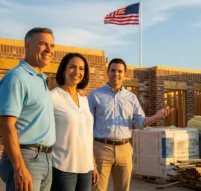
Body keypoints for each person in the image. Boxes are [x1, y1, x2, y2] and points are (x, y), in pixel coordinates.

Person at [88, 58, 173, 191]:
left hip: (124, 149)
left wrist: (156, 116)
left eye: (120, 71)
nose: (116, 74)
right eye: (113, 70)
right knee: (97, 188)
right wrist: (90, 157)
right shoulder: (95, 96)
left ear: (124, 74)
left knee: (123, 189)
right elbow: (88, 126)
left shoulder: (131, 97)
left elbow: (139, 122)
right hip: (101, 149)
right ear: (107, 72)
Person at [0, 27, 56, 191]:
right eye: (43, 44)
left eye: (52, 46)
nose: (49, 50)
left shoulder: (41, 79)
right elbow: (6, 124)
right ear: (27, 46)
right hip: (26, 157)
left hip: (46, 158)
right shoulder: (17, 78)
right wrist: (19, 168)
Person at [50, 53, 99, 191]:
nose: (77, 72)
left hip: (86, 168)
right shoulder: (53, 97)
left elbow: (88, 136)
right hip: (62, 166)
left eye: (81, 68)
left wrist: (93, 164)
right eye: (72, 67)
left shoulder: (84, 99)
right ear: (64, 70)